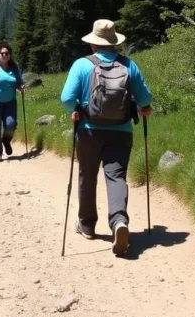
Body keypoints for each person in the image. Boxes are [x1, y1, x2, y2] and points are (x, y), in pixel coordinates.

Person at [60, 19, 153, 257]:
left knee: (87, 176)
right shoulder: (129, 65)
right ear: (114, 42)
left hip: (89, 130)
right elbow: (144, 99)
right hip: (121, 132)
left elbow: (66, 98)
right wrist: (144, 109)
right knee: (116, 176)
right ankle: (119, 221)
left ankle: (87, 225)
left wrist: (76, 109)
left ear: (93, 44)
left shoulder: (82, 65)